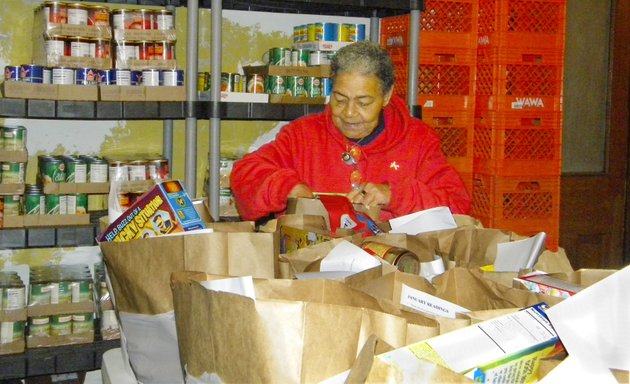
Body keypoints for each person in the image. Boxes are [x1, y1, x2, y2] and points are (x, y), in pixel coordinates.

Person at [230, 41, 471, 222]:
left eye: (363, 102)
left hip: (391, 271)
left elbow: (457, 208)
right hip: (311, 271)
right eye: (340, 99)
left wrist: (395, 195)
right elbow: (244, 176)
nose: (349, 113)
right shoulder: (302, 135)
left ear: (386, 96)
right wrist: (286, 187)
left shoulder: (418, 141)